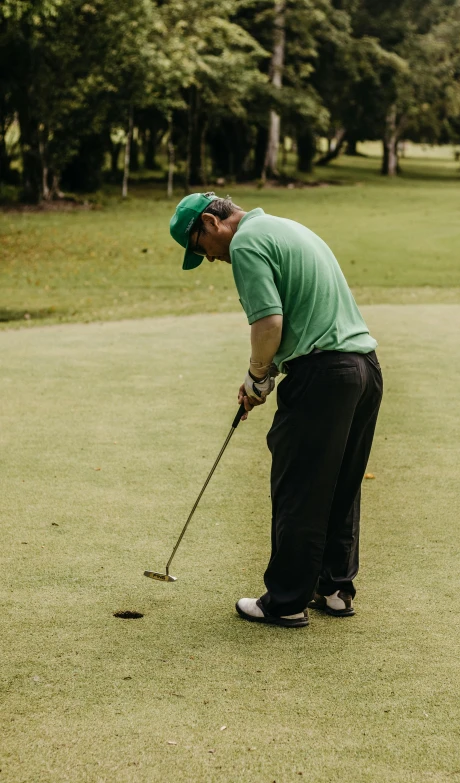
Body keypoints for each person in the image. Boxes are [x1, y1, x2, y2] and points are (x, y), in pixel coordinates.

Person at [169, 192, 383, 628]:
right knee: (341, 484)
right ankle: (336, 588)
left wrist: (257, 376)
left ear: (211, 222)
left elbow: (269, 322)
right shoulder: (286, 227)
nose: (208, 259)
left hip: (322, 375)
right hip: (364, 370)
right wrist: (264, 376)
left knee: (300, 488)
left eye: (199, 248)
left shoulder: (246, 243)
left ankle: (286, 601)